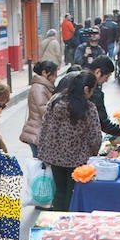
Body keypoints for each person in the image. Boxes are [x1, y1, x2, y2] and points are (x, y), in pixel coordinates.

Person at [37, 70, 102, 212]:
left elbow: (44, 128)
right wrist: (93, 154)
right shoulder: (88, 108)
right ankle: (68, 220)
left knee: (59, 191)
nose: (92, 94)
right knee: (73, 194)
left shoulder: (55, 101)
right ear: (86, 89)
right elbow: (95, 137)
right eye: (92, 90)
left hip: (55, 158)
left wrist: (43, 153)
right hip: (78, 160)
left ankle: (57, 220)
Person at [87, 56, 120, 142]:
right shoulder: (94, 91)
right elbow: (104, 124)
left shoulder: (78, 79)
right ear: (98, 72)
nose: (106, 81)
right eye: (106, 77)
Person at [19, 60, 58, 157]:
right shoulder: (39, 88)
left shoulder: (44, 87)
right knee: (40, 163)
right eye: (53, 75)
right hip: (38, 132)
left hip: (40, 131)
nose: (55, 78)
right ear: (44, 73)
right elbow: (44, 110)